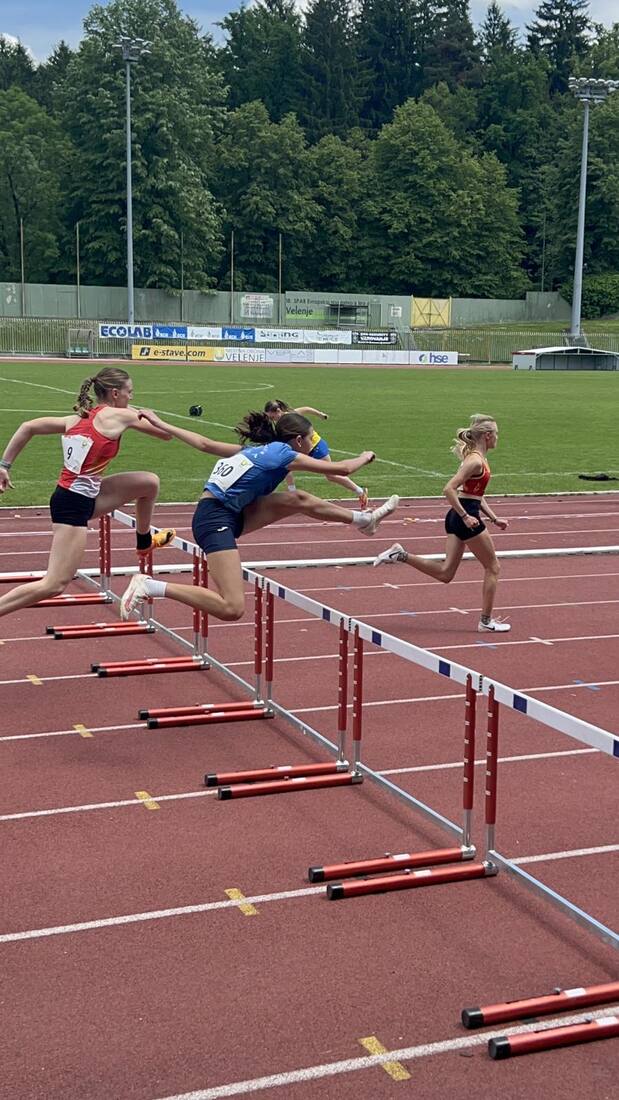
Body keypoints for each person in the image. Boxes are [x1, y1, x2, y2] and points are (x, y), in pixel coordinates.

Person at [120, 409, 399, 623]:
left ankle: (365, 521)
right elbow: (343, 469)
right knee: (232, 607)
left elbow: (204, 443)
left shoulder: (256, 450)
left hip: (234, 512)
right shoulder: (286, 455)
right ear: (298, 440)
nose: (313, 444)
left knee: (297, 499)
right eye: (312, 439)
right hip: (214, 520)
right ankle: (150, 586)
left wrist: (162, 423)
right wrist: (365, 456)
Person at [0, 367, 175, 619]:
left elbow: (28, 426)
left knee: (149, 483)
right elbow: (166, 434)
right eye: (129, 392)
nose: (132, 397)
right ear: (115, 393)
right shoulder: (121, 415)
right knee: (54, 584)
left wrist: (4, 466)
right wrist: (145, 414)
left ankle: (144, 541)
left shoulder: (75, 419)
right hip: (73, 504)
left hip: (86, 495)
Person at [373, 414, 510, 632]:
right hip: (465, 517)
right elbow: (449, 489)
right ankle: (485, 622)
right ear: (487, 435)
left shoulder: (477, 458)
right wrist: (466, 516)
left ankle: (400, 555)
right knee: (493, 567)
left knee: (446, 574)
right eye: (496, 434)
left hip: (458, 516)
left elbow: (475, 494)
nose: (498, 438)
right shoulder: (475, 461)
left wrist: (494, 518)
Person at [264, 399, 369, 508]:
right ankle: (292, 492)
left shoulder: (292, 415)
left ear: (278, 411)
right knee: (286, 465)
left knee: (331, 475)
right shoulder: (279, 424)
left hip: (316, 446)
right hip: (302, 448)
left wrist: (320, 414)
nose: (272, 420)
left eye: (272, 417)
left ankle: (361, 492)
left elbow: (306, 409)